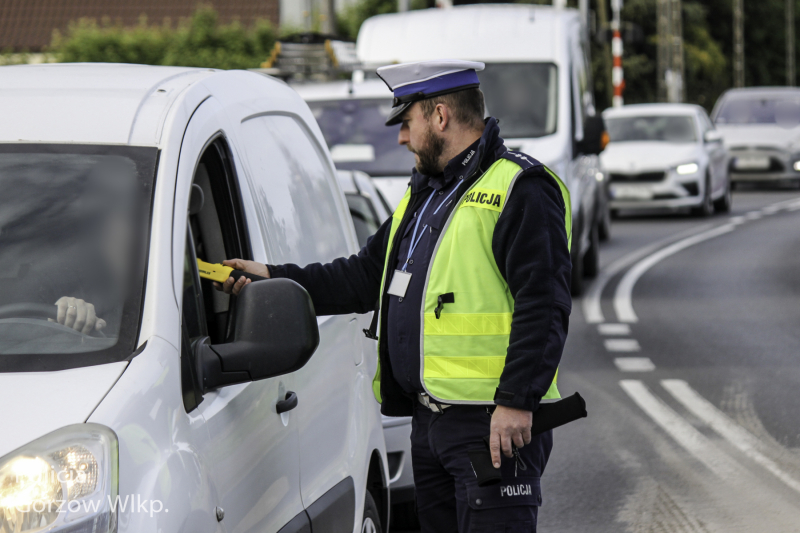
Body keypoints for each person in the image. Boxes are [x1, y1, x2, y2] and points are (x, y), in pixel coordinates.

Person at [218, 60, 572, 532]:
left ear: (440, 116)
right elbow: (363, 276)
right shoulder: (425, 193)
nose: (402, 138)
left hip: (492, 427)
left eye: (408, 123)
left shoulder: (520, 189)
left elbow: (544, 305)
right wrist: (272, 278)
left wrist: (516, 402)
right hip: (431, 425)